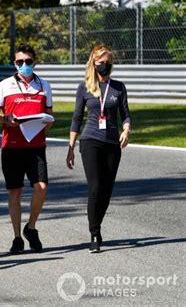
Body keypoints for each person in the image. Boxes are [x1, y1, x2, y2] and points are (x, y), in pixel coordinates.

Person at [66, 44, 131, 253]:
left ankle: (97, 224)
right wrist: (71, 146)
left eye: (108, 62)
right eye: (101, 62)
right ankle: (94, 232)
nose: (105, 65)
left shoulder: (118, 87)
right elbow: (77, 117)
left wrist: (126, 130)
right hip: (90, 140)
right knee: (95, 187)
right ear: (93, 64)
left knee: (107, 190)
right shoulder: (84, 87)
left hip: (112, 142)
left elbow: (125, 114)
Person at [0, 43, 53, 254]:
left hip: (36, 146)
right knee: (15, 192)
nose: (24, 65)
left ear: (34, 62)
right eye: (20, 62)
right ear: (14, 63)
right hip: (12, 146)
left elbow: (50, 116)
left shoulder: (44, 85)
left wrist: (45, 120)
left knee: (41, 187)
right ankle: (17, 237)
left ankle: (31, 227)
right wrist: (7, 119)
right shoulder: (4, 85)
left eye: (28, 61)